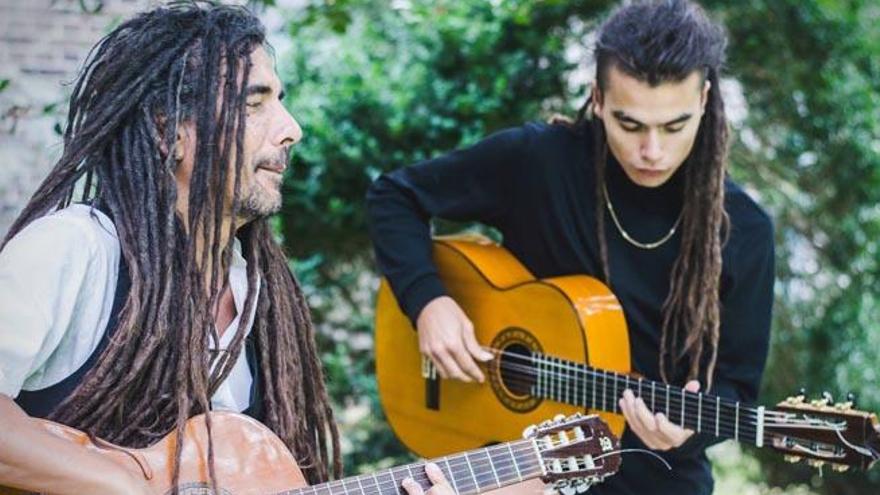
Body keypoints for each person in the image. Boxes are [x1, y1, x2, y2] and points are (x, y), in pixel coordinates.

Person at [0, 3, 452, 495]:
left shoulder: (260, 294)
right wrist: (127, 485)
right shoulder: (75, 248)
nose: (291, 128)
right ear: (166, 129)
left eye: (280, 100)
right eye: (254, 104)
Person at [366, 1, 775, 493]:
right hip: (515, 473)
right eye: (629, 124)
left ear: (705, 100)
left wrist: (687, 432)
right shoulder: (539, 162)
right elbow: (395, 196)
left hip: (657, 481)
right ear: (597, 98)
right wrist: (429, 301)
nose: (653, 151)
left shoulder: (743, 229)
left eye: (674, 125)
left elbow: (739, 390)